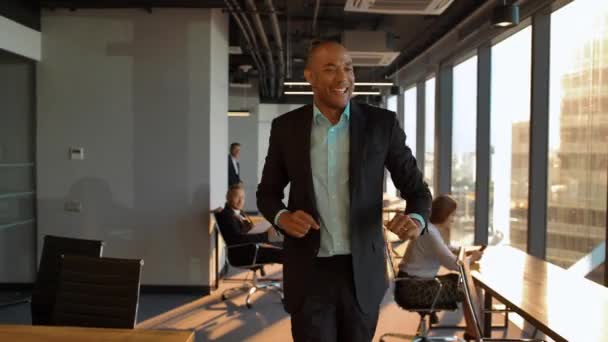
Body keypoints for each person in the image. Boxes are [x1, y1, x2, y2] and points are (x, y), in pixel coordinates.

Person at [257, 40, 432, 342]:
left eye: (348, 68)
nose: (343, 78)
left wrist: (415, 219)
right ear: (309, 76)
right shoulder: (286, 127)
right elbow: (267, 193)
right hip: (309, 272)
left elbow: (417, 191)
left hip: (361, 272)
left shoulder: (382, 124)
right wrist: (282, 216)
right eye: (330, 69)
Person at [395, 194, 483, 336]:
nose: (453, 220)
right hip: (416, 289)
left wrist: (463, 250)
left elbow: (444, 247)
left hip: (410, 283)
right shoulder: (431, 234)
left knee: (464, 282)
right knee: (470, 286)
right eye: (452, 216)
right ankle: (476, 333)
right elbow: (454, 264)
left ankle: (473, 331)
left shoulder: (429, 229)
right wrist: (473, 258)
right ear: (444, 214)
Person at [216, 184, 282, 265]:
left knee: (283, 248)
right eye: (237, 197)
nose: (240, 201)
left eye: (242, 197)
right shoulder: (226, 215)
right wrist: (265, 236)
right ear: (228, 198)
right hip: (242, 255)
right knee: (284, 254)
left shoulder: (241, 214)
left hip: (251, 249)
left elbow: (249, 232)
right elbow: (237, 239)